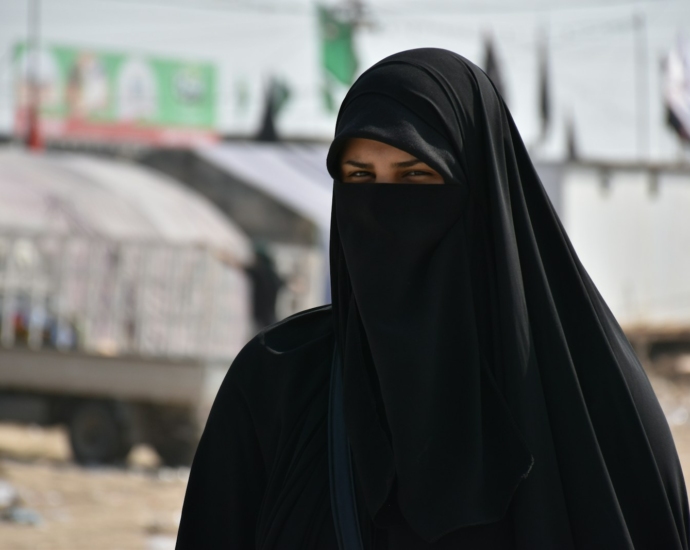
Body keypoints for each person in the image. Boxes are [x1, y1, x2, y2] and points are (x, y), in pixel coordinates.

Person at [176, 48, 690, 549]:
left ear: (483, 194)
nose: (380, 209)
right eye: (359, 177)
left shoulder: (586, 399)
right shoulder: (278, 386)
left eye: (415, 176)